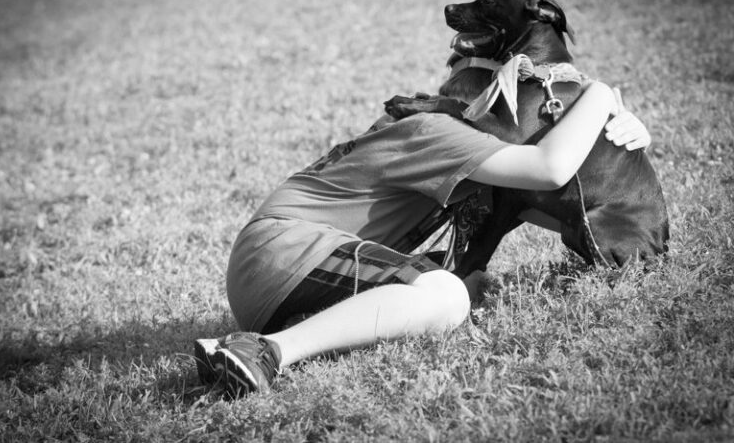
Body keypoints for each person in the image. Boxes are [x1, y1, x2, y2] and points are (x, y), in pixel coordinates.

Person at [194, 81, 651, 399]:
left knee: (445, 291)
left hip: (273, 272)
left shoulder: (442, 130)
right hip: (283, 250)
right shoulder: (436, 131)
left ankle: (280, 339)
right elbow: (549, 168)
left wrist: (625, 138)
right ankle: (265, 351)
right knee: (446, 296)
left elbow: (563, 209)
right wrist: (599, 94)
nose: (545, 109)